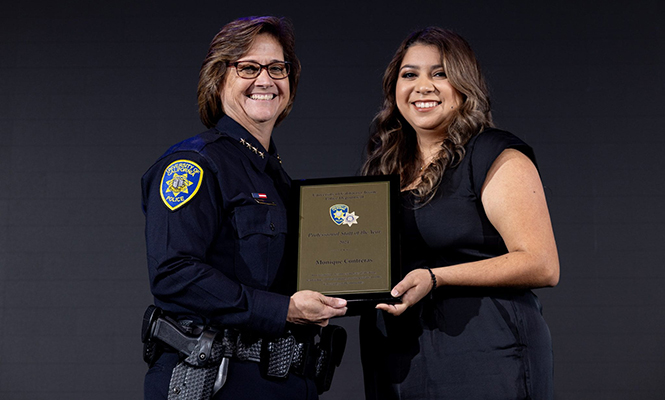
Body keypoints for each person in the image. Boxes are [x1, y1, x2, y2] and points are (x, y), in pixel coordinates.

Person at [141, 16, 347, 400]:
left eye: (277, 68)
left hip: (285, 381)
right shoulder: (193, 164)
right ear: (219, 79)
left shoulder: (277, 180)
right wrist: (282, 309)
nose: (265, 80)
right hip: (215, 381)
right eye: (248, 67)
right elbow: (174, 274)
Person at [359, 27, 559, 400]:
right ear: (393, 88)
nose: (423, 86)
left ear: (464, 85)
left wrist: (436, 278)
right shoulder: (383, 167)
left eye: (440, 73)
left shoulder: (494, 155)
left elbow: (542, 263)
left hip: (486, 353)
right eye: (409, 74)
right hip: (400, 359)